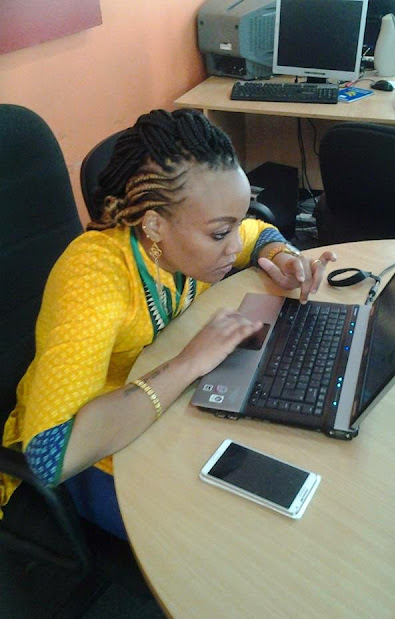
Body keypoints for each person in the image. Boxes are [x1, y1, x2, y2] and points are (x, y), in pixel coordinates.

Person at [0, 108, 335, 539]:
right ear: (154, 225)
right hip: (95, 450)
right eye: (220, 234)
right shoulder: (95, 276)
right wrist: (189, 363)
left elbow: (257, 235)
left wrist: (284, 257)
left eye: (234, 225)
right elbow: (50, 457)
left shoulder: (179, 240)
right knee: (237, 532)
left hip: (163, 405)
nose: (233, 245)